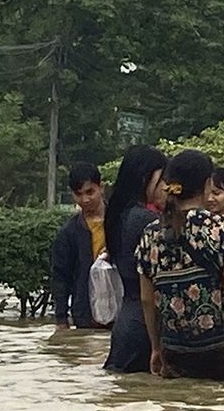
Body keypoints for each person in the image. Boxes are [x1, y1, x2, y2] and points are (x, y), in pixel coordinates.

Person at [137, 149, 224, 380]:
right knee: (223, 403)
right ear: (207, 184)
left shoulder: (150, 234)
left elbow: (147, 299)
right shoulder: (222, 228)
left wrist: (156, 348)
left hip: (174, 351)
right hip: (223, 350)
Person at [103, 146, 167, 373]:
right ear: (144, 179)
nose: (166, 187)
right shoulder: (145, 220)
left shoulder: (121, 214)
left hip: (127, 322)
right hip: (144, 325)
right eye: (161, 179)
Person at [50, 163, 108, 329]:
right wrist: (61, 319)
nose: (85, 200)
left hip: (120, 311)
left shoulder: (121, 222)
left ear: (101, 188)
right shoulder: (69, 232)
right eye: (78, 194)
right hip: (85, 314)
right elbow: (61, 277)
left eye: (90, 192)